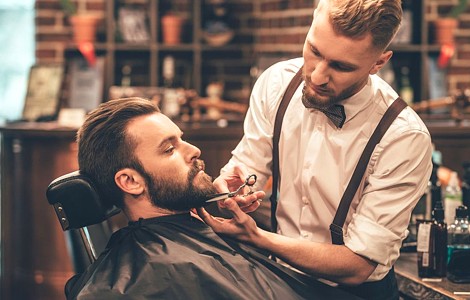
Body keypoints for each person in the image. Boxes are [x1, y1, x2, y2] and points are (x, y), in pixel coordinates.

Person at [196, 1, 433, 299]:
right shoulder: (277, 84)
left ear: (378, 63)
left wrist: (257, 238)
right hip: (276, 279)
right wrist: (229, 187)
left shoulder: (403, 137)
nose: (318, 76)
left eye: (341, 66)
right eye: (315, 51)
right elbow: (246, 164)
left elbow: (358, 265)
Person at [66, 97, 359, 299]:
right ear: (130, 181)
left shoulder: (203, 232)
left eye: (182, 139)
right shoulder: (153, 275)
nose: (193, 150)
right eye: (169, 149)